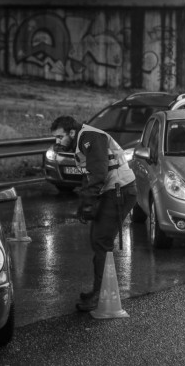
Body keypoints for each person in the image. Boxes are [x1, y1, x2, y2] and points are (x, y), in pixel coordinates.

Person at [50, 115, 137, 312]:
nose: (57, 141)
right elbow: (89, 176)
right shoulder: (83, 139)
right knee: (98, 240)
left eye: (59, 137)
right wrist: (85, 203)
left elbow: (98, 173)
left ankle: (100, 295)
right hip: (115, 191)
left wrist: (88, 203)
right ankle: (99, 290)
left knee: (101, 241)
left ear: (72, 132)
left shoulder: (89, 137)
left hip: (119, 191)